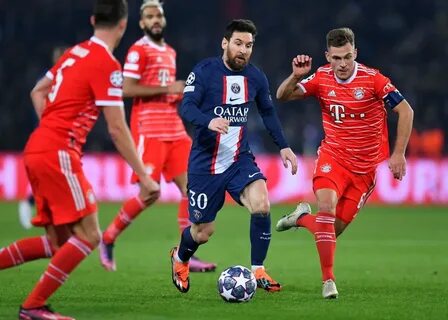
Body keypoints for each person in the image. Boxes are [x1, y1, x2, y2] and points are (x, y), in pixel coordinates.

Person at [0, 1, 160, 319]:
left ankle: (34, 306)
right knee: (89, 236)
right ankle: (32, 308)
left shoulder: (73, 53)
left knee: (59, 243)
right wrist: (144, 175)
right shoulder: (107, 64)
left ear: (92, 20)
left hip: (37, 149)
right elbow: (116, 128)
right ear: (124, 24)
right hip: (58, 152)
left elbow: (37, 91)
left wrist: (50, 128)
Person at [275, 27, 414, 299]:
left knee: (330, 232)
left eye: (347, 57)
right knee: (326, 209)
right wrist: (295, 76)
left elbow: (405, 110)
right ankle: (328, 281)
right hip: (333, 158)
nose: (342, 64)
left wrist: (398, 153)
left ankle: (301, 218)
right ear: (327, 56)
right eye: (336, 58)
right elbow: (282, 96)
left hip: (364, 171)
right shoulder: (322, 77)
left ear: (355, 53)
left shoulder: (374, 80)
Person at [169, 19, 298, 293]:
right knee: (203, 232)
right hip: (206, 162)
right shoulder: (204, 72)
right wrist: (208, 121)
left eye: (249, 45)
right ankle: (180, 257)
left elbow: (268, 113)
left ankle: (258, 269)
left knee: (262, 202)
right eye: (238, 43)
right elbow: (187, 107)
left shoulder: (256, 77)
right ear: (225, 43)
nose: (244, 50)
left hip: (239, 158)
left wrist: (284, 146)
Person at [99, 0, 216, 273]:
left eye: (158, 15)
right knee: (149, 194)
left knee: (194, 190)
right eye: (149, 16)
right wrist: (168, 87)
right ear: (141, 23)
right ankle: (108, 238)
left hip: (174, 130)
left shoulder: (170, 52)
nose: (155, 20)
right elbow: (127, 89)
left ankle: (185, 253)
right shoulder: (138, 50)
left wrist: (180, 95)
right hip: (149, 131)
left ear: (163, 20)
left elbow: (165, 92)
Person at [18, 46, 68, 230]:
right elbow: (37, 97)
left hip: (59, 136)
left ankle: (47, 211)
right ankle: (30, 203)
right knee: (53, 176)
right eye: (60, 56)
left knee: (56, 177)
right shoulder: (48, 82)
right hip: (49, 137)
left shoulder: (65, 81)